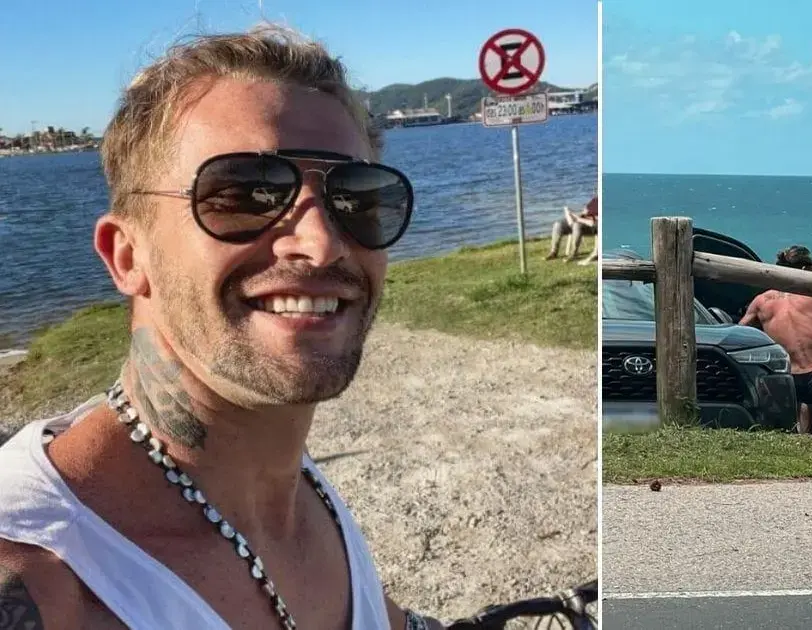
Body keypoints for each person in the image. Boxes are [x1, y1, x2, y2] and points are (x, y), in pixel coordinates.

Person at [0, 26, 445, 629]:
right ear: (127, 256)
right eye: (244, 194)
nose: (321, 243)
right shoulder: (44, 580)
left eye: (358, 198)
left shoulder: (294, 492)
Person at [738, 245, 812, 434]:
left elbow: (740, 332)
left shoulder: (762, 301)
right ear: (805, 268)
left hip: (790, 379)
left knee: (796, 436)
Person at [545, 195, 597, 263]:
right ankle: (553, 252)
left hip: (592, 226)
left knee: (577, 225)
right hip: (581, 220)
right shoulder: (594, 200)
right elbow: (584, 212)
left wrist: (579, 219)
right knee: (558, 224)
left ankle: (573, 253)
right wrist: (573, 215)